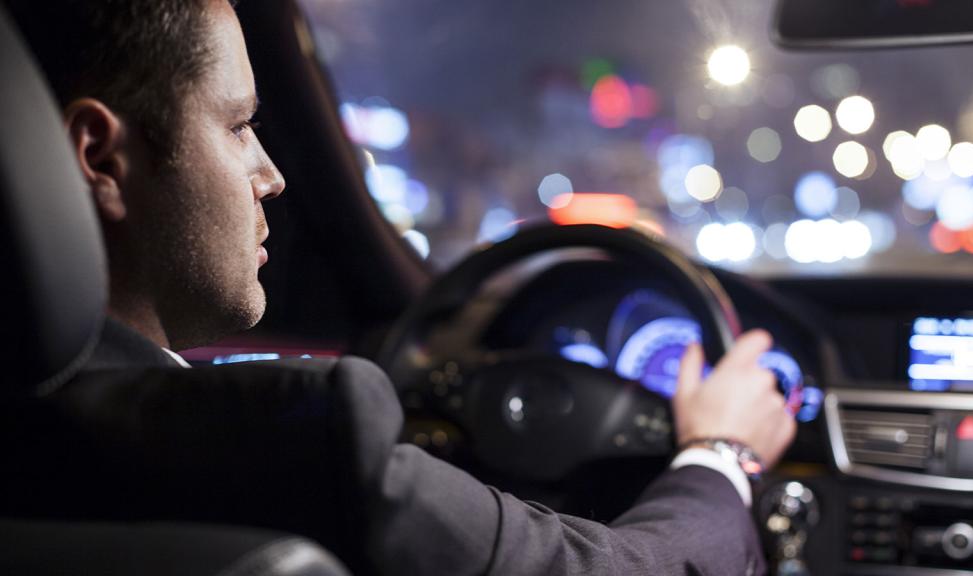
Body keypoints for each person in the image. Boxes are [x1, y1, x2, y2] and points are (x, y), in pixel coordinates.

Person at [5, 0, 796, 574]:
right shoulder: (289, 439)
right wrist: (720, 451)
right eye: (239, 126)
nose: (272, 176)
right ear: (101, 158)